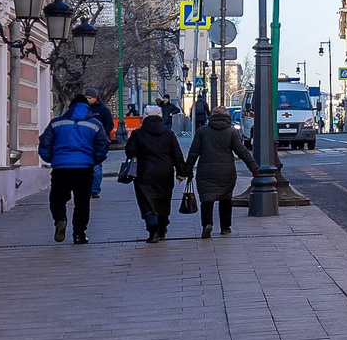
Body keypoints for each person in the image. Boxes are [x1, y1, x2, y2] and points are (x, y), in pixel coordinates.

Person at [39, 94, 109, 244]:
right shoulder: (95, 124)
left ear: (70, 107)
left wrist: (52, 159)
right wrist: (93, 160)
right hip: (84, 168)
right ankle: (79, 235)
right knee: (82, 202)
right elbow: (103, 145)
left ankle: (60, 219)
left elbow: (45, 143)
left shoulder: (56, 123)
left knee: (57, 198)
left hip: (61, 168)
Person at [186, 109, 255, 237]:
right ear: (227, 118)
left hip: (206, 172)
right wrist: (254, 168)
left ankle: (207, 223)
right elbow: (242, 151)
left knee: (206, 199)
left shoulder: (202, 132)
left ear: (212, 117)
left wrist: (186, 171)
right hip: (226, 172)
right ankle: (225, 227)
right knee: (226, 198)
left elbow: (193, 153)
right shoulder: (231, 132)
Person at [124, 106, 186, 243]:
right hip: (165, 172)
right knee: (163, 200)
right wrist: (181, 172)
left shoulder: (138, 134)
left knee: (146, 201)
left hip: (144, 172)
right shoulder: (169, 134)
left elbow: (130, 152)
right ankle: (162, 227)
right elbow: (177, 155)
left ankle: (152, 230)